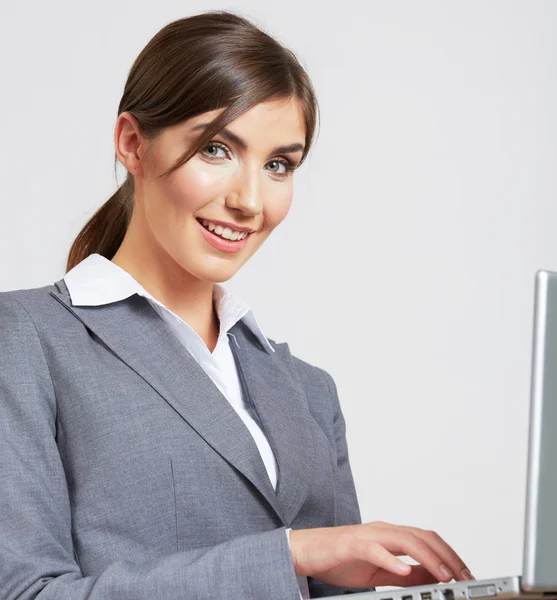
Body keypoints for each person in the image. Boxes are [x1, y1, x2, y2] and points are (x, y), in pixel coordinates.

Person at [0, 10, 475, 600]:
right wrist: (294, 552)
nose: (250, 201)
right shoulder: (25, 340)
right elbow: (24, 593)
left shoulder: (307, 392)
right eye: (217, 149)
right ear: (132, 144)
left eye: (279, 164)